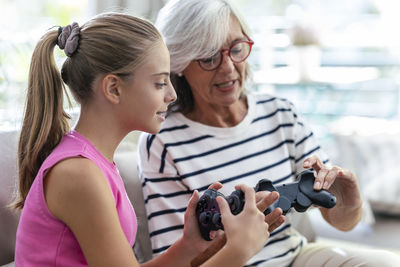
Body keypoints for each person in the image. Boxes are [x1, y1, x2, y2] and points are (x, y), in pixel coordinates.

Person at [137, 0, 400, 266]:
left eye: (237, 48)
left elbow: (343, 222)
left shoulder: (280, 113)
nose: (228, 68)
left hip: (296, 256)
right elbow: (176, 258)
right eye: (209, 58)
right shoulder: (161, 141)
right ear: (179, 62)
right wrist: (239, 233)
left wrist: (350, 201)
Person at [13, 12, 282, 267]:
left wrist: (188, 245)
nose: (172, 95)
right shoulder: (78, 174)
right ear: (114, 88)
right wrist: (239, 249)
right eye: (160, 83)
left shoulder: (92, 163)